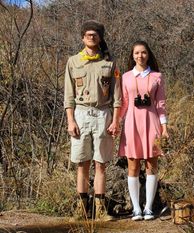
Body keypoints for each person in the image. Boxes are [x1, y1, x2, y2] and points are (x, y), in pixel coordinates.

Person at [64, 20, 122, 221]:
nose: (91, 37)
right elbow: (68, 96)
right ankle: (81, 209)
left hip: (103, 114)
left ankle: (100, 210)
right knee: (82, 163)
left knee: (101, 164)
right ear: (82, 38)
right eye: (88, 34)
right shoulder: (73, 62)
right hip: (80, 114)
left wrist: (115, 121)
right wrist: (70, 121)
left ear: (100, 38)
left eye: (95, 34)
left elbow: (117, 96)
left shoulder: (110, 63)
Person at [118, 41, 169, 221]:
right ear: (132, 55)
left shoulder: (157, 76)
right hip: (131, 123)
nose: (140, 56)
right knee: (133, 166)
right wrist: (116, 123)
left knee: (151, 165)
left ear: (148, 54)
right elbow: (124, 103)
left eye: (144, 52)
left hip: (152, 122)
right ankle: (136, 208)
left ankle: (148, 208)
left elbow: (161, 105)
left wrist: (164, 127)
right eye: (137, 53)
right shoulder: (125, 77)